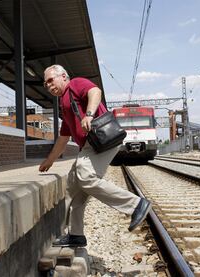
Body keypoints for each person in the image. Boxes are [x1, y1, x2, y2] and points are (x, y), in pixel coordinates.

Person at [39, 64, 151, 247]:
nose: (49, 85)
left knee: (85, 175)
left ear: (64, 77)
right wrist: (49, 160)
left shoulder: (75, 84)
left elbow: (94, 91)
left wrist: (89, 115)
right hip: (91, 146)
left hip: (100, 141)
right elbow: (63, 138)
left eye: (51, 80)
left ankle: (136, 205)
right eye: (46, 84)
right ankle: (76, 235)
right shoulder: (64, 103)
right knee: (73, 189)